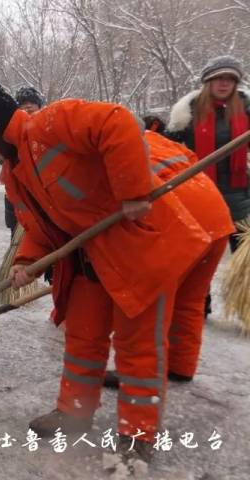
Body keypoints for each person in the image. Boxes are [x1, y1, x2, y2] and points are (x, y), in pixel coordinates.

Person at [0, 82, 211, 467]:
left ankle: (137, 434)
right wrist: (25, 261)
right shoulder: (15, 171)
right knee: (82, 336)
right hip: (88, 257)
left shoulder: (52, 123)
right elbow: (38, 225)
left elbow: (119, 123)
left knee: (138, 346)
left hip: (136, 248)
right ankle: (73, 413)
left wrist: (132, 191)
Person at [103, 130, 234, 390]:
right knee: (190, 299)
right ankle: (181, 367)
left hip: (179, 215)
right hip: (215, 213)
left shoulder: (109, 149)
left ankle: (138, 373)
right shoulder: (152, 136)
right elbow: (192, 157)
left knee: (152, 303)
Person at [166, 55, 250, 252]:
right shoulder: (188, 111)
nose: (224, 83)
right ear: (208, 82)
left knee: (244, 261)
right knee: (202, 258)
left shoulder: (246, 109)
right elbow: (166, 148)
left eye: (230, 79)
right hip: (201, 194)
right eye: (218, 78)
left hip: (240, 193)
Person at [4, 86, 47, 234]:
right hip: (17, 200)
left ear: (40, 106)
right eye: (23, 104)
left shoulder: (48, 129)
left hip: (43, 197)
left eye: (32, 102)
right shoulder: (9, 134)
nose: (28, 106)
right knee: (18, 243)